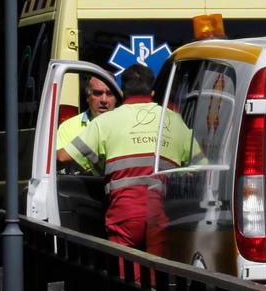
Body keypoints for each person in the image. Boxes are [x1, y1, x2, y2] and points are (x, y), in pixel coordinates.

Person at [59, 63, 195, 250]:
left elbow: (63, 157)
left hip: (125, 213)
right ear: (153, 94)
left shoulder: (104, 122)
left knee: (129, 275)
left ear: (122, 94)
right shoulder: (174, 121)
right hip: (161, 213)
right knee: (160, 274)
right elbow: (201, 164)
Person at [55, 75, 117, 173]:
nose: (104, 100)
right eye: (98, 93)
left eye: (109, 94)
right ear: (88, 97)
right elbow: (59, 160)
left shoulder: (127, 124)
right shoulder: (67, 127)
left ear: (116, 98)